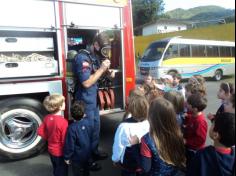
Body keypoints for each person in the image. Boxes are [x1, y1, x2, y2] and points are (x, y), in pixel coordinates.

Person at [73, 32, 111, 167]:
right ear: (96, 45)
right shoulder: (82, 58)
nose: (105, 52)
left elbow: (96, 75)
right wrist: (102, 69)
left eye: (108, 50)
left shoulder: (94, 56)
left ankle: (94, 152)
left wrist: (107, 72)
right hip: (84, 100)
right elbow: (87, 83)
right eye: (103, 49)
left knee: (95, 129)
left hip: (93, 100)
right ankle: (86, 161)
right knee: (86, 133)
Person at [129, 98, 186, 175]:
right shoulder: (178, 133)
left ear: (151, 117)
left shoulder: (147, 140)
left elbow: (145, 168)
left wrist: (135, 146)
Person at [112, 95, 150, 176]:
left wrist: (115, 159)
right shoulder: (149, 124)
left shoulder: (124, 126)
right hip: (144, 160)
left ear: (131, 110)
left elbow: (118, 145)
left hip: (129, 163)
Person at [37, 94, 68, 176]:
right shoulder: (63, 122)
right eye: (64, 102)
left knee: (55, 167)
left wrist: (49, 138)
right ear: (60, 107)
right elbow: (65, 140)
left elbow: (39, 131)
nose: (65, 103)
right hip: (60, 152)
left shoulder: (47, 117)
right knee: (62, 170)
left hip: (51, 150)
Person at [64, 101, 93, 176]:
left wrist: (67, 157)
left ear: (72, 115)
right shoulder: (88, 123)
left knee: (78, 172)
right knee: (86, 171)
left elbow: (70, 144)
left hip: (77, 157)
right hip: (87, 153)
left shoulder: (71, 128)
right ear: (84, 114)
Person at [183, 93, 208, 166]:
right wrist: (188, 116)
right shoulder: (193, 114)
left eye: (188, 104)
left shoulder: (200, 122)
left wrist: (186, 141)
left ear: (195, 109)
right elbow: (191, 117)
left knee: (192, 164)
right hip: (190, 147)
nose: (186, 104)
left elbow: (200, 140)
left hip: (195, 150)